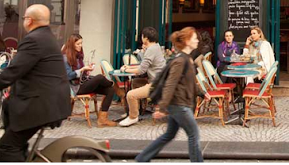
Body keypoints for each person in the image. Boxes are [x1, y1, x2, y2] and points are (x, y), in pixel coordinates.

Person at [0, 4, 71, 162]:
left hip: (42, 106)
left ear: (29, 21)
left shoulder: (33, 40)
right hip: (50, 102)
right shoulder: (47, 37)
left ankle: (11, 155)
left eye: (24, 18)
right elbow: (30, 71)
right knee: (9, 108)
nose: (23, 21)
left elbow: (10, 73)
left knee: (7, 147)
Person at [135, 27, 211, 162]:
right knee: (193, 135)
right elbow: (170, 84)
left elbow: (189, 82)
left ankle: (142, 158)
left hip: (178, 103)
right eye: (194, 38)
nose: (197, 41)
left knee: (169, 135)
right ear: (187, 41)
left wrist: (201, 93)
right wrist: (162, 108)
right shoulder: (180, 61)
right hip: (179, 105)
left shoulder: (187, 59)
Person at [62, 33, 117, 127]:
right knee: (100, 77)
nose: (80, 46)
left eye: (81, 43)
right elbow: (68, 76)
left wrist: (87, 70)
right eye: (78, 44)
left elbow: (82, 74)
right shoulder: (65, 57)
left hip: (84, 82)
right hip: (77, 87)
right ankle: (112, 84)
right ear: (72, 44)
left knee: (110, 90)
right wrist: (82, 69)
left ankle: (102, 120)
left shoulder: (78, 56)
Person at [119, 26, 167, 127]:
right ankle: (138, 109)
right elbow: (144, 65)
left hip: (157, 84)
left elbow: (141, 70)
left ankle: (133, 117)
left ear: (145, 38)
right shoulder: (156, 47)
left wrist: (126, 69)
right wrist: (130, 67)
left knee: (130, 95)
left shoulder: (151, 50)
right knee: (135, 83)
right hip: (161, 81)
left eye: (142, 36)